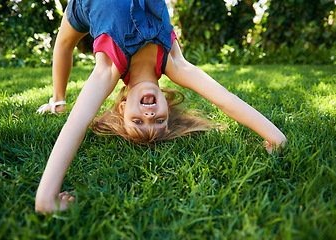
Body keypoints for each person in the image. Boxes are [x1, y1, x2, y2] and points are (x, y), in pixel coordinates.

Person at [35, 0, 287, 213]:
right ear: (166, 106)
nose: (149, 115)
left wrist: (46, 199)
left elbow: (76, 124)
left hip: (83, 5)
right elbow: (225, 99)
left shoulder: (110, 69)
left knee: (64, 42)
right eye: (158, 121)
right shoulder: (174, 64)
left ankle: (57, 101)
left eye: (138, 121)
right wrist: (275, 138)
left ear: (122, 108)